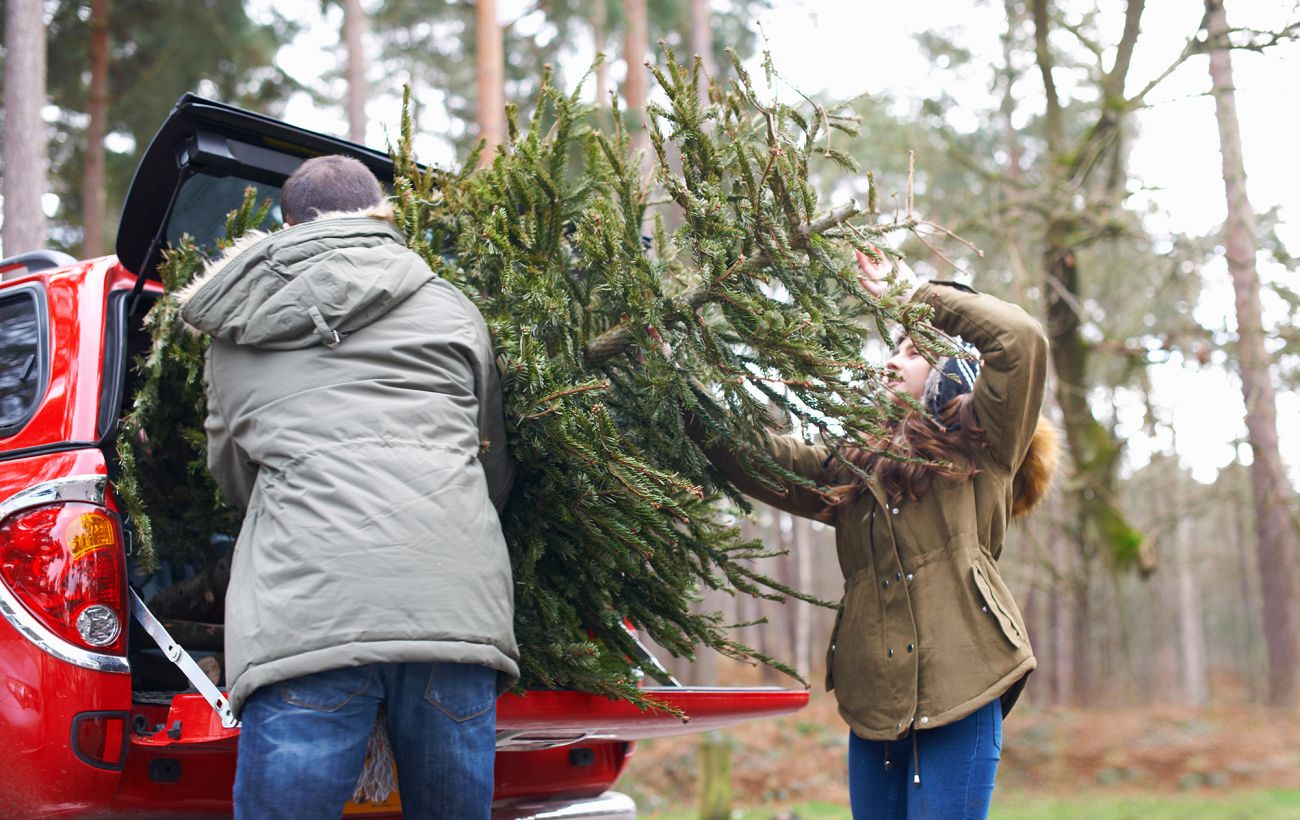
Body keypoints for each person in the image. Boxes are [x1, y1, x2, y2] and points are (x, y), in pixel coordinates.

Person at [178, 155, 518, 819]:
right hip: (452, 604)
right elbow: (490, 458)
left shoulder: (235, 332)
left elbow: (235, 474)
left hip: (306, 612)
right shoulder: (449, 306)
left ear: (286, 225)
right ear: (379, 216)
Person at [689, 249, 1057, 819]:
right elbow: (764, 460)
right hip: (874, 702)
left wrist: (911, 297)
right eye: (892, 347)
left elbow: (1020, 338)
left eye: (912, 353)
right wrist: (679, 384)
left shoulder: (985, 442)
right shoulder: (853, 466)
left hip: (966, 687)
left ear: (947, 379)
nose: (890, 362)